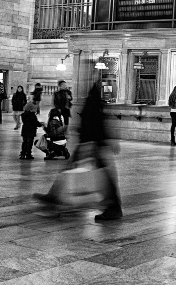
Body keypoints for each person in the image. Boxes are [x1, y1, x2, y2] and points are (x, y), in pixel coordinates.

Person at [34, 81, 123, 221]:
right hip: (91, 141)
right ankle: (55, 197)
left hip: (92, 142)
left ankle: (113, 207)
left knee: (100, 175)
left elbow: (94, 121)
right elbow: (95, 120)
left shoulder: (93, 99)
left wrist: (101, 139)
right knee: (91, 172)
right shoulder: (95, 98)